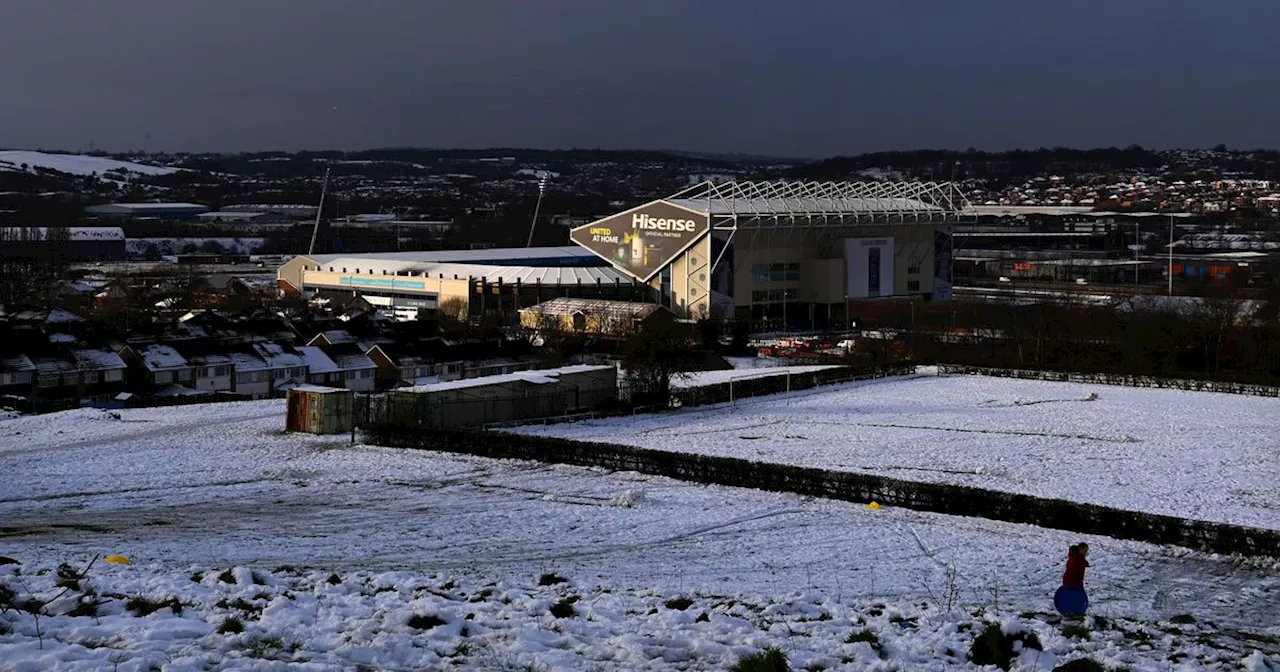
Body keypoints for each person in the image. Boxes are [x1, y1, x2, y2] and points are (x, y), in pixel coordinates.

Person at [1054, 543, 1090, 616]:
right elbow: (1072, 570)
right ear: (1080, 549)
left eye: (1086, 551)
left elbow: (1081, 561)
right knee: (1071, 595)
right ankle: (1069, 609)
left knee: (1075, 595)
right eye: (1084, 550)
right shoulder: (1074, 559)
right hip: (1071, 581)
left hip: (1077, 580)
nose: (1086, 552)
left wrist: (1085, 562)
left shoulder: (1079, 557)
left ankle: (1075, 609)